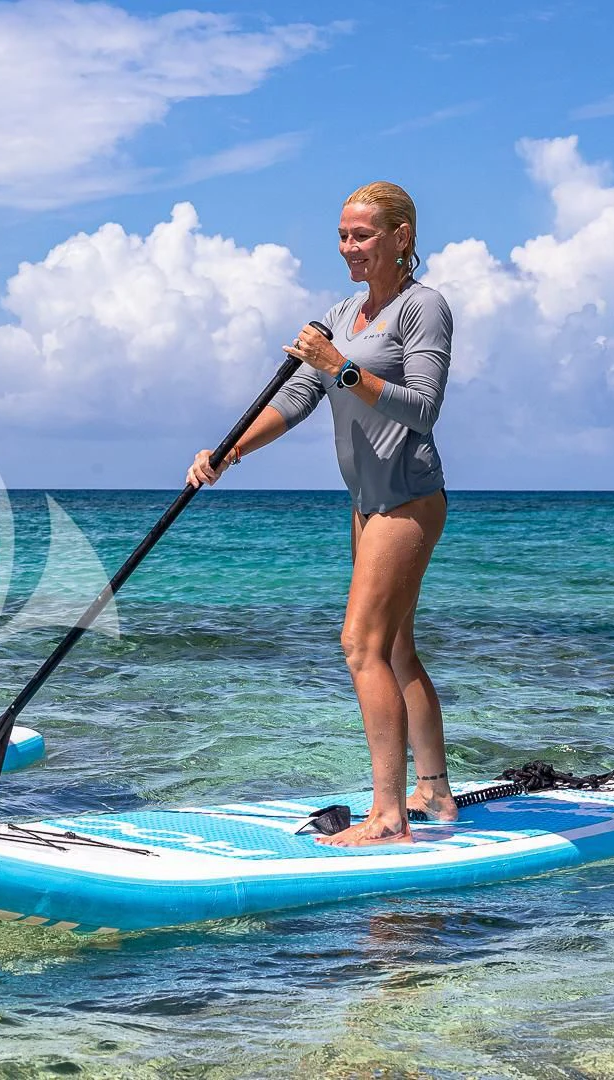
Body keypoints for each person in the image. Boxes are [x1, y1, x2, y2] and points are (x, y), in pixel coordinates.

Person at [188, 181, 454, 846]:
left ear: (402, 238)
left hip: (410, 500)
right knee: (394, 648)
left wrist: (339, 365)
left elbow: (421, 408)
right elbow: (298, 398)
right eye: (342, 235)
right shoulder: (341, 313)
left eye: (362, 234)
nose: (348, 247)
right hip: (366, 505)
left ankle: (388, 816)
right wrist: (229, 452)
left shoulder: (424, 309)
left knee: (359, 644)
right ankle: (435, 792)